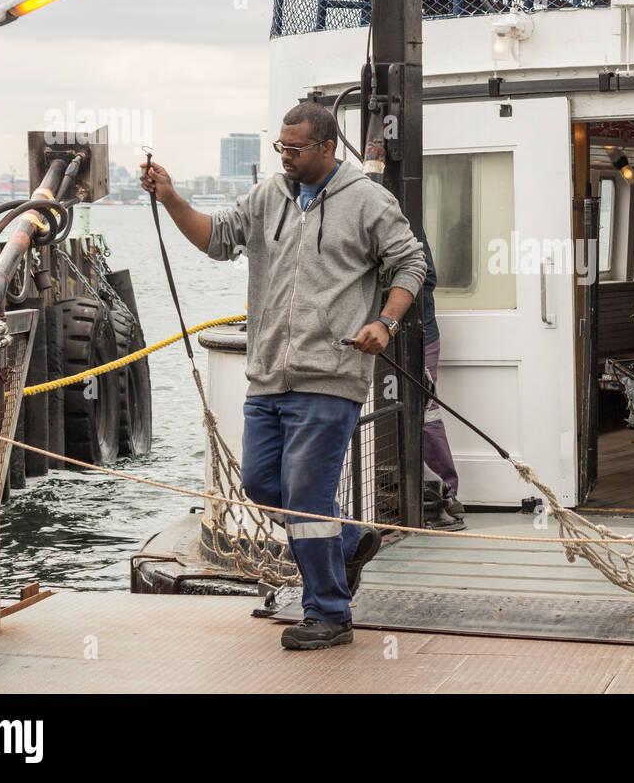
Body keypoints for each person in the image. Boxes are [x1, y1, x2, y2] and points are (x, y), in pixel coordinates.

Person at [139, 101, 426, 651]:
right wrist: (171, 196)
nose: (286, 156)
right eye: (281, 147)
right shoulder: (268, 196)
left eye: (295, 148)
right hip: (268, 374)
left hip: (330, 374)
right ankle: (349, 541)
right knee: (262, 485)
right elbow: (217, 239)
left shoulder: (368, 200)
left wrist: (385, 322)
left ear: (327, 147)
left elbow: (411, 263)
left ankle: (329, 613)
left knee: (304, 498)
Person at [418, 234, 465, 531]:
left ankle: (446, 493)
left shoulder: (404, 221)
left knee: (426, 413)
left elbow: (426, 278)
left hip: (419, 333)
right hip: (369, 335)